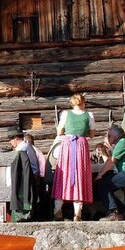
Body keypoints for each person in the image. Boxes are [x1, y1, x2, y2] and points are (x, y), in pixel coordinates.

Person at [50, 93, 95, 221]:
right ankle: (77, 213)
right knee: (80, 176)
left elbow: (59, 131)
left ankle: (58, 210)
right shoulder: (89, 115)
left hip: (67, 145)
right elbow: (92, 134)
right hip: (80, 145)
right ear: (83, 102)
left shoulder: (65, 114)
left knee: (63, 176)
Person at [94, 125, 125, 221]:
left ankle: (113, 212)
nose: (107, 138)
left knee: (103, 184)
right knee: (104, 184)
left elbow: (111, 161)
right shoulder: (120, 144)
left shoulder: (122, 142)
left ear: (116, 136)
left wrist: (99, 175)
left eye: (109, 136)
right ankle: (124, 211)